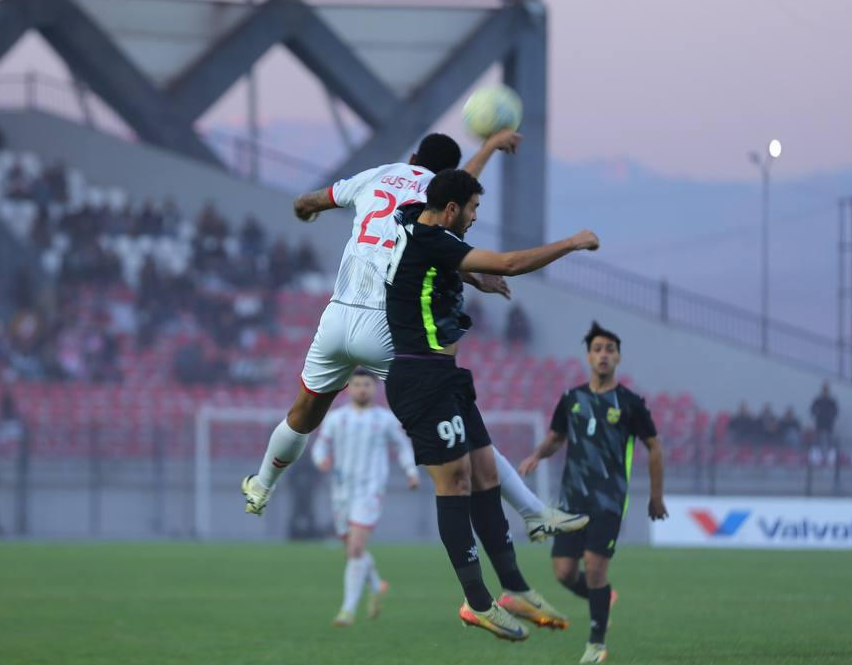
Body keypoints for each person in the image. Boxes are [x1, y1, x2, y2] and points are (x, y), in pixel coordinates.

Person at [242, 132, 586, 544]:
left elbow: (311, 201)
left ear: (412, 157)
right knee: (463, 426)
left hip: (337, 317)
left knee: (304, 412)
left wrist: (304, 209)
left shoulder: (378, 176)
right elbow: (454, 199)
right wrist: (490, 147)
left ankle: (262, 485)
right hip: (389, 328)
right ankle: (533, 513)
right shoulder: (436, 196)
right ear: (446, 184)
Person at [382, 169, 601, 640]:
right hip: (420, 378)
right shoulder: (432, 237)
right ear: (452, 209)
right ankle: (477, 603)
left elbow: (426, 258)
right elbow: (510, 261)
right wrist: (572, 242)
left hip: (444, 377)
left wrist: (471, 279)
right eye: (475, 209)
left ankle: (514, 589)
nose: (477, 217)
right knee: (455, 483)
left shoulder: (407, 221)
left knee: (484, 472)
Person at [518, 321, 668, 663]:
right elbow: (557, 437)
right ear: (588, 356)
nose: (603, 355)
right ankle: (603, 599)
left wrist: (656, 497)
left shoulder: (630, 403)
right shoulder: (572, 399)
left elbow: (655, 447)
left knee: (595, 567)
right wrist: (536, 456)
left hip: (609, 500)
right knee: (564, 573)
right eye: (598, 349)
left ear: (618, 358)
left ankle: (596, 645)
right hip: (572, 499)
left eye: (610, 350)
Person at [310, 370, 420, 627]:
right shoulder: (336, 419)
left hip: (370, 490)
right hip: (341, 491)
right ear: (348, 388)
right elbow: (320, 446)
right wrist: (321, 459)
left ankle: (347, 611)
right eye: (357, 384)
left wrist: (411, 472)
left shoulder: (385, 420)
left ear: (375, 388)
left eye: (366, 385)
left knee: (356, 548)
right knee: (351, 551)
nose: (361, 389)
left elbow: (403, 447)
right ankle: (376, 584)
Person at [810, 382, 839, 448]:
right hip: (819, 423)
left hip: (829, 424)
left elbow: (836, 411)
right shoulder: (818, 400)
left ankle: (830, 453)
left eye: (826, 390)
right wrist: (816, 413)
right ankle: (817, 453)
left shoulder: (832, 401)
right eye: (824, 390)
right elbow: (812, 410)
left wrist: (831, 416)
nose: (825, 391)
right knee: (818, 441)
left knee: (829, 441)